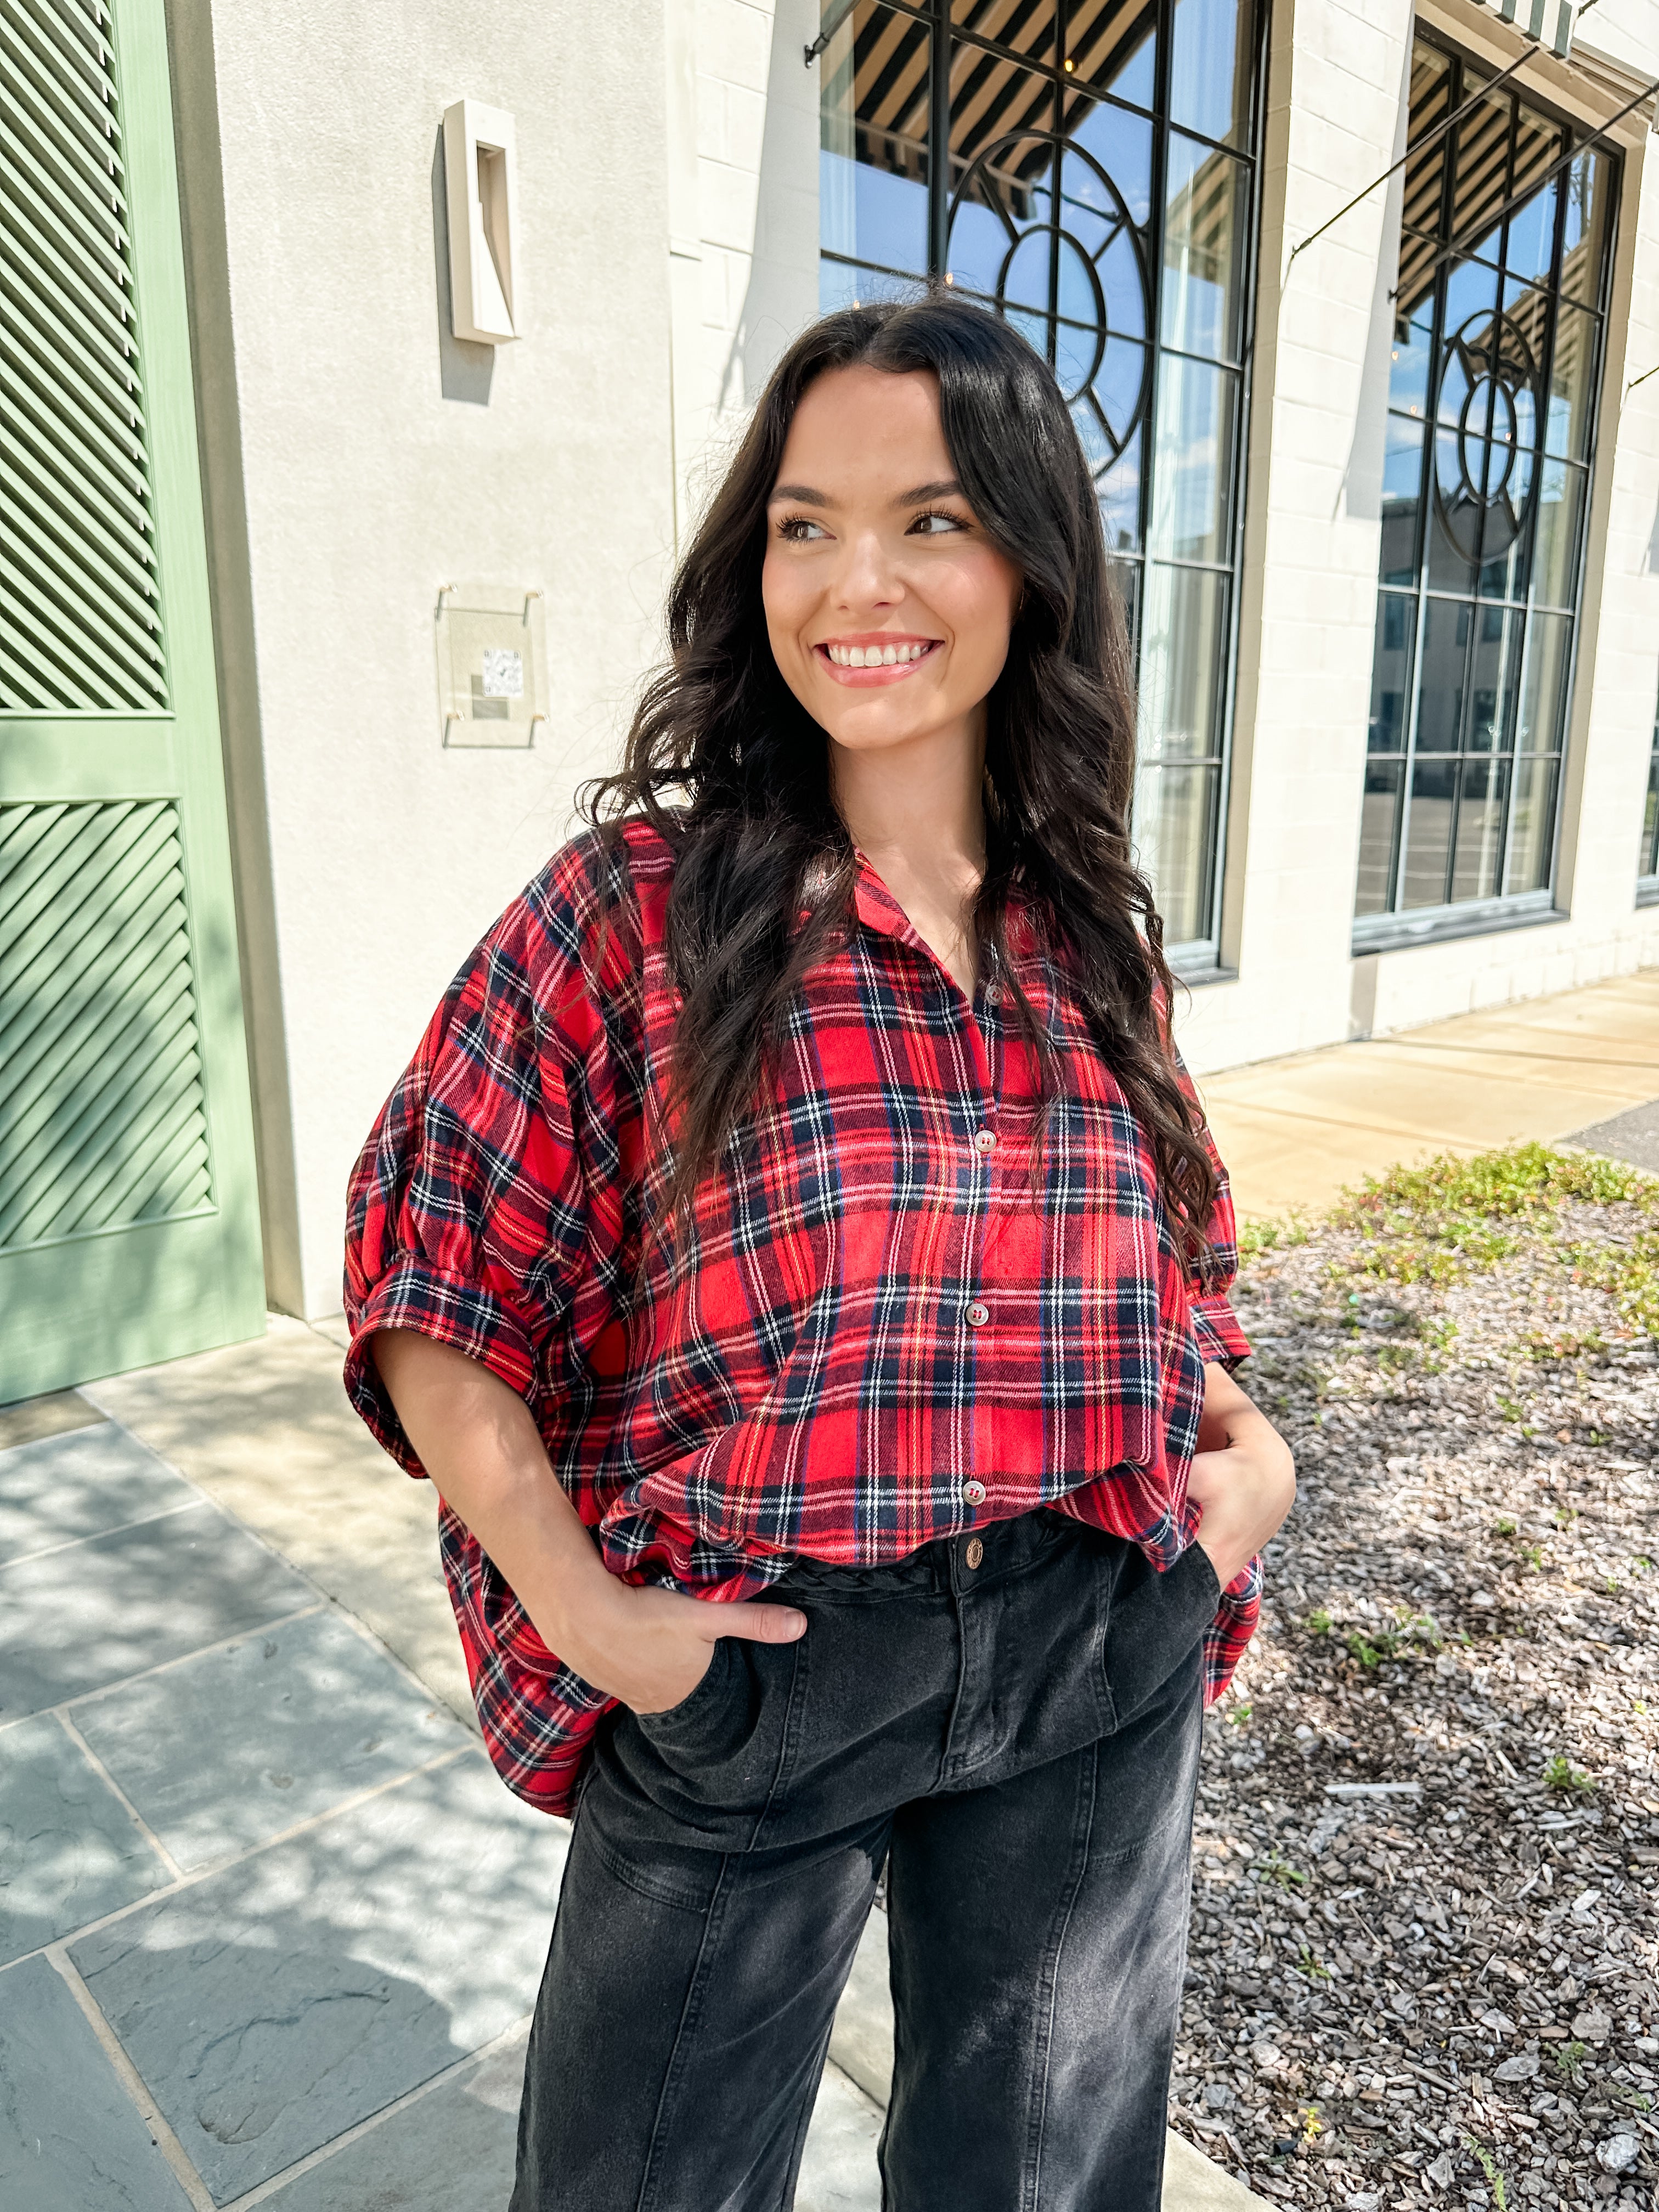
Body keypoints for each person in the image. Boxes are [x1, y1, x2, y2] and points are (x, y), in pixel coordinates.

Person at [343, 292, 1295, 2211]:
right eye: (805, 520)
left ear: (1030, 561)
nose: (859, 578)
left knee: (1037, 2176)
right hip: (763, 1671)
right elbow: (441, 1279)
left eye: (932, 518)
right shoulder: (644, 911)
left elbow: (1157, 1271)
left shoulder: (1088, 932)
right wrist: (583, 1610)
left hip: (1092, 1632)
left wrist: (1241, 1457)